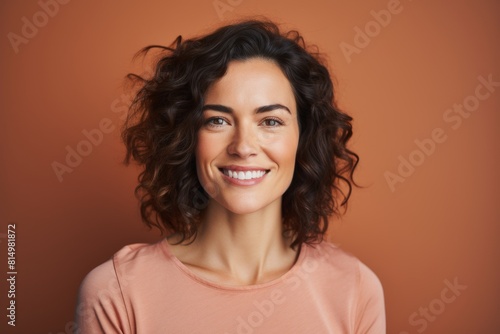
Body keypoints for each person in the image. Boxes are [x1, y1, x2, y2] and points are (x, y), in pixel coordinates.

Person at [75, 19, 385, 333]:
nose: (243, 147)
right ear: (188, 138)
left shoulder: (355, 289)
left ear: (302, 137)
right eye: (218, 121)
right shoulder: (116, 292)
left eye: (271, 121)